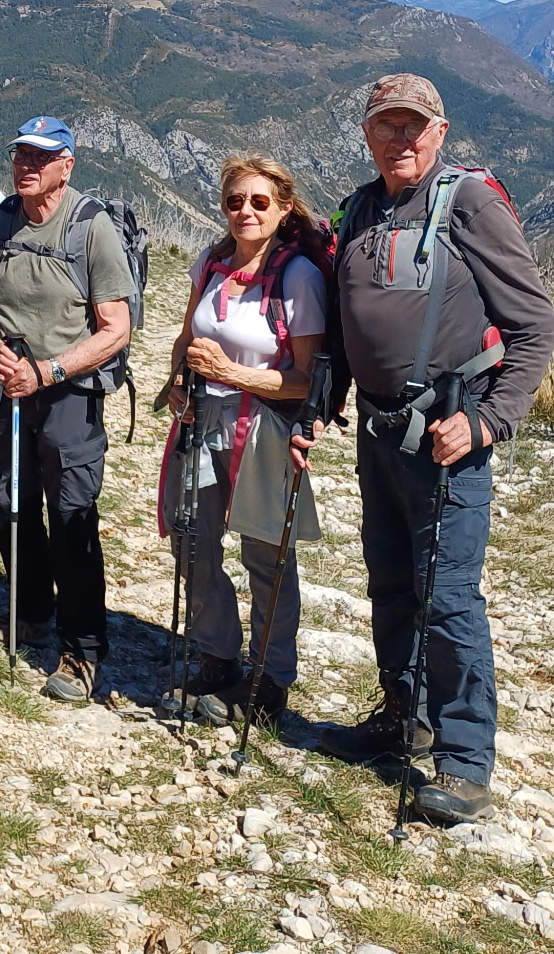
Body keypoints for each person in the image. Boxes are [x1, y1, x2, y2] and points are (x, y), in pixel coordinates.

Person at [312, 73, 554, 824]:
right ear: (367, 132)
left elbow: (536, 326)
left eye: (415, 126)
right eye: (387, 124)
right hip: (380, 435)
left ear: (441, 132)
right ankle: (402, 715)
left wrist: (488, 422)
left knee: (448, 599)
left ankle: (462, 758)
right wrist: (324, 404)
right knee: (390, 582)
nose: (402, 139)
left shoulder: (470, 203)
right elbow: (347, 315)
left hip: (449, 439)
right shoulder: (359, 207)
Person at [0, 116, 132, 704]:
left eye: (41, 156)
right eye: (19, 154)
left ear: (67, 165)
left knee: (72, 513)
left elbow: (116, 328)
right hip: (6, 387)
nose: (26, 165)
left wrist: (48, 371)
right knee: (12, 504)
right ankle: (29, 613)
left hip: (68, 394)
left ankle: (83, 650)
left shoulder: (92, 228)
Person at [163, 156, 330, 726]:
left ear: (284, 209)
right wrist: (176, 381)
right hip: (201, 421)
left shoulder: (299, 278)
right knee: (192, 539)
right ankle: (218, 656)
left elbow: (306, 381)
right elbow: (189, 336)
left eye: (260, 202)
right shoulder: (210, 263)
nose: (246, 212)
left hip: (263, 427)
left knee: (266, 555)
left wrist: (233, 375)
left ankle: (269, 676)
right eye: (236, 201)